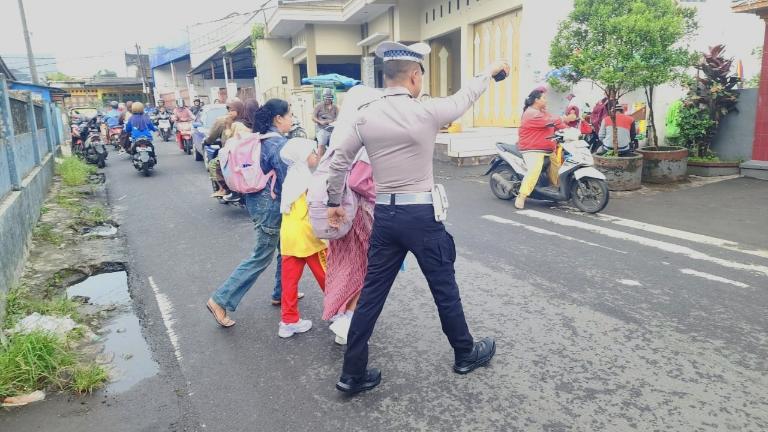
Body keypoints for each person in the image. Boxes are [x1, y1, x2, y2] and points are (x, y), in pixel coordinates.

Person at [325, 41, 509, 394]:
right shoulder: (426, 112)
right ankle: (464, 353)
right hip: (421, 216)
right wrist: (488, 71)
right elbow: (465, 97)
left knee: (372, 295)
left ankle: (352, 373)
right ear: (414, 76)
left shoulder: (365, 115)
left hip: (386, 216)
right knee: (444, 287)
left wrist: (335, 201)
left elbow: (338, 161)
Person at [206, 99, 294, 327]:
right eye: (290, 115)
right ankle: (220, 300)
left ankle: (280, 292)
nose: (291, 120)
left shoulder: (260, 139)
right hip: (270, 205)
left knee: (285, 247)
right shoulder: (278, 144)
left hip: (257, 201)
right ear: (278, 119)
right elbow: (287, 182)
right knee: (261, 256)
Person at [321, 86, 382, 346]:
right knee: (364, 269)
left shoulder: (340, 133)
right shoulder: (365, 134)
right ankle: (349, 320)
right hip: (360, 213)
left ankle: (340, 314)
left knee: (343, 265)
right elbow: (360, 181)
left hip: (340, 211)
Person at [276, 138, 325, 338]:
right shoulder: (307, 180)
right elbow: (314, 210)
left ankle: (288, 322)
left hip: (289, 237)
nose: (316, 156)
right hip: (308, 237)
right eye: (313, 153)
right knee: (328, 277)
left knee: (289, 282)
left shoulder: (292, 177)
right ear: (305, 157)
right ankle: (342, 315)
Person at [515, 89, 578, 209]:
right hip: (532, 148)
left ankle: (556, 190)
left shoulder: (543, 112)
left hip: (547, 149)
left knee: (558, 167)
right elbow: (552, 121)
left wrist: (571, 131)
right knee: (535, 169)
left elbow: (558, 124)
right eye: (543, 98)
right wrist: (566, 118)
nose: (546, 100)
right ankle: (522, 196)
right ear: (536, 100)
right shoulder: (531, 113)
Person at [313, 88, 338, 154]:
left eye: (329, 98)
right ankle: (319, 162)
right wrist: (320, 121)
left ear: (332, 98)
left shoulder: (335, 107)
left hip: (332, 130)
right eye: (326, 98)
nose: (327, 100)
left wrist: (333, 121)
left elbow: (338, 118)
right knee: (321, 147)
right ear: (323, 98)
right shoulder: (318, 106)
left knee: (335, 148)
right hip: (322, 129)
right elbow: (313, 117)